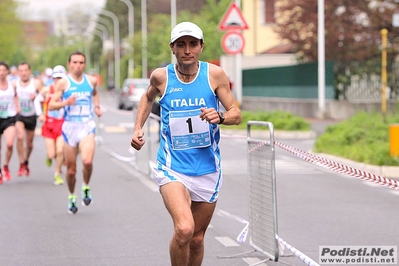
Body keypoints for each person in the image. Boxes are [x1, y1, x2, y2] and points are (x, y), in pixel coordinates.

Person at [130, 22, 242, 265]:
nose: (187, 50)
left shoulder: (215, 75)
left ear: (201, 47)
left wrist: (220, 116)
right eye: (181, 45)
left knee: (197, 238)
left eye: (193, 44)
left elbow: (236, 113)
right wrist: (138, 127)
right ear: (173, 48)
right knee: (183, 229)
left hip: (207, 169)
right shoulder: (161, 77)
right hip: (172, 167)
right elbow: (147, 98)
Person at [49, 51, 102, 214]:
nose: (78, 66)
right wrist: (66, 102)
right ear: (69, 64)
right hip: (70, 128)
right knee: (71, 170)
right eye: (75, 62)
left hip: (87, 126)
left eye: (81, 62)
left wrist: (97, 107)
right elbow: (51, 105)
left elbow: (95, 94)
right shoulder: (63, 83)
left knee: (87, 161)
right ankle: (72, 195)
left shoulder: (91, 81)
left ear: (84, 64)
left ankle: (86, 186)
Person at [34, 65, 67, 185]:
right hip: (49, 124)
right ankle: (49, 156)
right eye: (56, 78)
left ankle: (57, 173)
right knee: (52, 153)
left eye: (60, 78)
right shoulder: (48, 89)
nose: (58, 80)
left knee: (60, 151)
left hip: (62, 124)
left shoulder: (67, 89)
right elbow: (37, 100)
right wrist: (40, 114)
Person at [13, 62, 43, 177]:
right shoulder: (15, 84)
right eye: (21, 71)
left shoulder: (36, 83)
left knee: (29, 144)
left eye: (26, 70)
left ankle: (26, 161)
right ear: (18, 72)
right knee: (20, 137)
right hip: (20, 115)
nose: (23, 73)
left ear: (29, 71)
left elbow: (44, 97)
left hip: (31, 115)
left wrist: (36, 97)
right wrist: (16, 106)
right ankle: (21, 163)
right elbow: (12, 96)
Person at [0, 62, 19, 184]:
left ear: (7, 72)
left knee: (10, 144)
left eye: (3, 70)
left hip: (9, 117)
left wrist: (17, 106)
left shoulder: (13, 85)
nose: (1, 73)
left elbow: (16, 96)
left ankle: (6, 165)